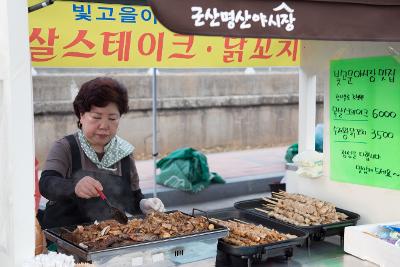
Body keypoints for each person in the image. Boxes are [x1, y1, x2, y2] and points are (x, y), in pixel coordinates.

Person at [39, 77, 164, 229]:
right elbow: (46, 183)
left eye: (112, 118)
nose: (104, 126)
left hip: (110, 239)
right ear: (81, 115)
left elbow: (131, 198)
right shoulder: (65, 147)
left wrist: (144, 204)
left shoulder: (123, 152)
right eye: (96, 117)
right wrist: (74, 186)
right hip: (65, 238)